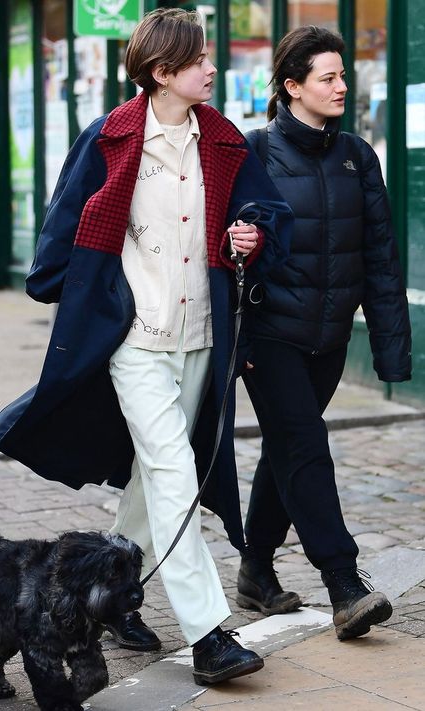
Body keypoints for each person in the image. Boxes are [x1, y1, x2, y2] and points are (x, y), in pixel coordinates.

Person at [0, 9, 292, 685]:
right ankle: (208, 634)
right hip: (134, 344)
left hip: (202, 338)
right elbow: (61, 240)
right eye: (199, 59)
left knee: (153, 480)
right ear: (163, 72)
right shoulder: (111, 137)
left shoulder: (225, 140)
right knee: (176, 474)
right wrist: (97, 298)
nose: (212, 67)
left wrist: (252, 235)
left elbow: (267, 214)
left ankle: (110, 592)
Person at [237, 26, 411, 642]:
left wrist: (390, 349)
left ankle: (256, 571)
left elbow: (381, 258)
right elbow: (228, 240)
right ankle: (343, 582)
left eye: (342, 75)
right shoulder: (254, 154)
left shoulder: (357, 157)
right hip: (269, 335)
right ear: (292, 86)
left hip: (330, 338)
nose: (342, 86)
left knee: (287, 450)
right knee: (306, 445)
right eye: (328, 77)